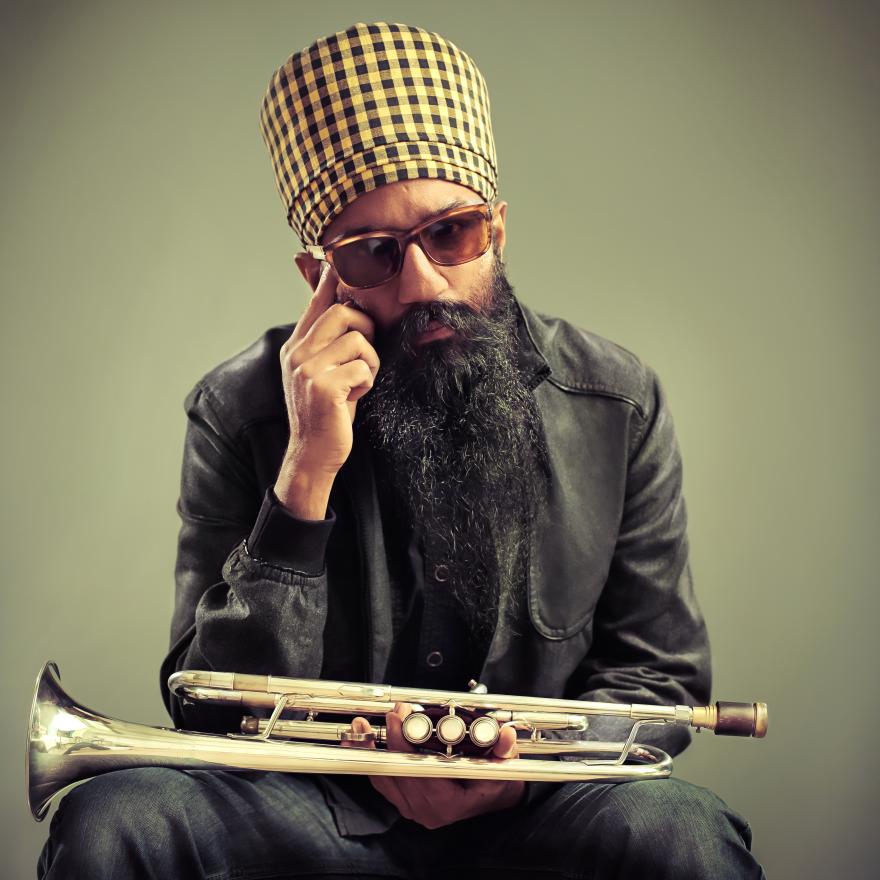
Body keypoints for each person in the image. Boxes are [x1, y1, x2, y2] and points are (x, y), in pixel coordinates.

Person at [38, 21, 764, 879]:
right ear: (320, 278)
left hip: (540, 816)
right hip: (315, 817)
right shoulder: (235, 412)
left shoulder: (618, 401)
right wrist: (305, 470)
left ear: (497, 227)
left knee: (683, 833)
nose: (424, 284)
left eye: (451, 234)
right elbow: (211, 712)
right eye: (374, 254)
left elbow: (657, 681)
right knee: (117, 819)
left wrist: (515, 778)